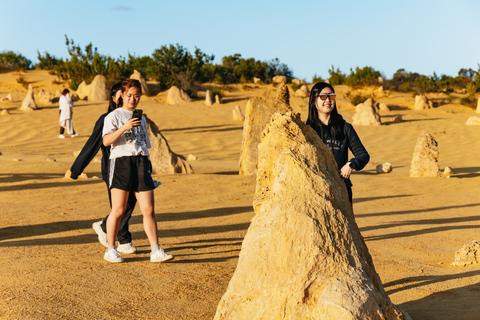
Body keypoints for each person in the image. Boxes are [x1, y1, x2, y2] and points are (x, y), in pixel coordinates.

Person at [102, 79, 173, 263]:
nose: (133, 99)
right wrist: (124, 127)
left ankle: (155, 250)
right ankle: (110, 249)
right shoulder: (113, 116)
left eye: (137, 96)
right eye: (129, 95)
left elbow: (143, 144)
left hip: (141, 162)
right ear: (122, 96)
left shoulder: (141, 118)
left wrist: (148, 167)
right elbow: (106, 141)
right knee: (118, 209)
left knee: (148, 209)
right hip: (121, 162)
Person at [70, 83, 138, 254]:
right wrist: (76, 169)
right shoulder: (107, 118)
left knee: (130, 203)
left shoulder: (129, 117)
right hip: (112, 167)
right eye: (120, 96)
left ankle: (107, 228)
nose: (125, 98)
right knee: (121, 206)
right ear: (115, 98)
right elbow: (92, 145)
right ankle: (122, 239)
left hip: (130, 166)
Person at [306, 82, 370, 204]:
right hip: (316, 191)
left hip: (342, 189)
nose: (328, 100)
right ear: (314, 101)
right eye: (323, 96)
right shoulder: (307, 129)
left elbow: (364, 155)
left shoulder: (345, 128)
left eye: (332, 96)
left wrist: (351, 164)